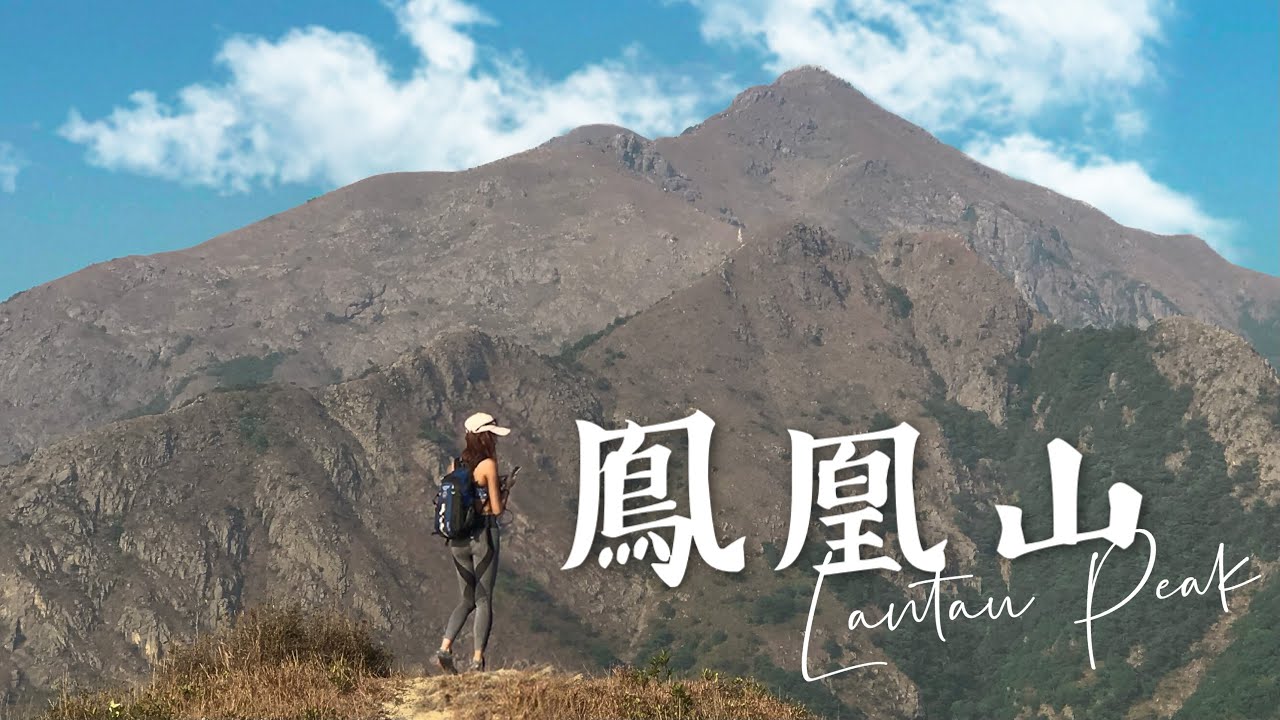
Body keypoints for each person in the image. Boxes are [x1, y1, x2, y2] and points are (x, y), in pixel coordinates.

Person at [436, 411, 510, 674]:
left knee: (466, 599)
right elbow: (496, 508)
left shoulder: (455, 466)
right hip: (483, 536)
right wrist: (501, 492)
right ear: (485, 437)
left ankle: (445, 647)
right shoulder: (488, 465)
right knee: (484, 600)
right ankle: (477, 659)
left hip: (457, 541)